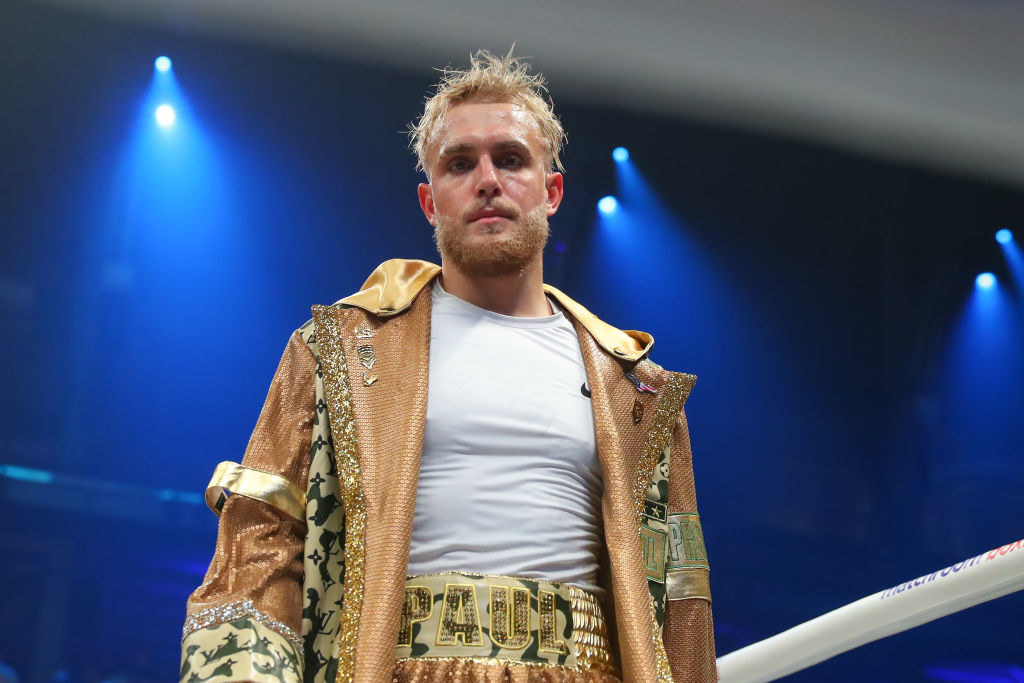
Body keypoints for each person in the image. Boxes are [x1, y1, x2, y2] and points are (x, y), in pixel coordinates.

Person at [181, 50, 715, 683]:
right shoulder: (339, 349)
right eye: (460, 164)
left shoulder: (636, 387)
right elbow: (259, 542)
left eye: (510, 159)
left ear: (552, 191)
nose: (487, 179)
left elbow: (682, 602)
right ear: (429, 200)